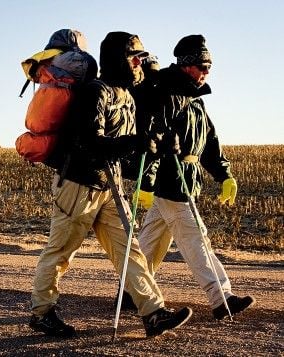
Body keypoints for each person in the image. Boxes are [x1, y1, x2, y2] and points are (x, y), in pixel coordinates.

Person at [28, 31, 193, 338]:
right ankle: (42, 312)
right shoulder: (95, 92)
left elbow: (125, 155)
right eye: (135, 57)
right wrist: (136, 142)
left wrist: (153, 146)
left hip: (109, 186)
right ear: (119, 59)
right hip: (79, 185)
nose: (139, 63)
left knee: (130, 249)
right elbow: (90, 143)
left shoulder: (127, 96)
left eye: (141, 58)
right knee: (61, 252)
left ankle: (153, 313)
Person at [133, 34, 255, 320]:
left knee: (150, 243)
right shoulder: (165, 94)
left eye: (209, 65)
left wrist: (225, 175)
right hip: (171, 181)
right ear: (186, 64)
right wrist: (147, 183)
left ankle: (131, 292)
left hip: (187, 179)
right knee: (196, 238)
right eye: (202, 65)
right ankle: (221, 298)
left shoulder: (196, 101)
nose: (207, 71)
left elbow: (210, 143)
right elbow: (152, 141)